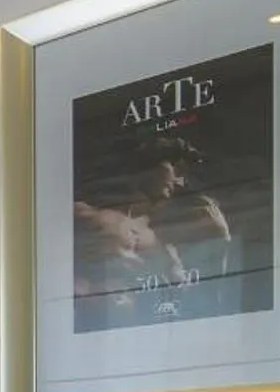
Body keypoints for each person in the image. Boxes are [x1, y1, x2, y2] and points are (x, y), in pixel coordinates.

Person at [72, 133, 233, 330]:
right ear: (148, 166)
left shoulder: (165, 247)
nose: (179, 181)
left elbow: (204, 306)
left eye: (184, 174)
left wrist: (220, 240)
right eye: (175, 168)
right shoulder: (84, 214)